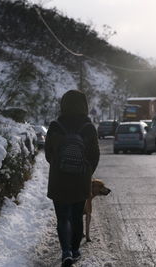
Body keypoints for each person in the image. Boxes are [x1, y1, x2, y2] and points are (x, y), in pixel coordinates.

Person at [45, 90, 100, 266]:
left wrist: (58, 166)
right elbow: (95, 155)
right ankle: (75, 249)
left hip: (59, 180)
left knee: (63, 218)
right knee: (76, 217)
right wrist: (86, 172)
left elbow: (48, 154)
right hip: (80, 180)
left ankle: (66, 251)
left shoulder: (55, 126)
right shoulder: (89, 127)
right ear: (84, 104)